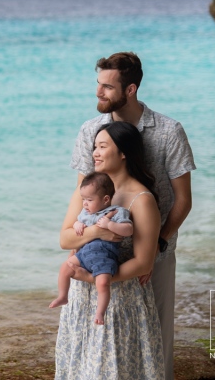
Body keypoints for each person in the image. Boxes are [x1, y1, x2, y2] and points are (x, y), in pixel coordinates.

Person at [67, 52, 195, 379]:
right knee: (101, 340)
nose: (99, 92)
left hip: (155, 252)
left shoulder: (169, 131)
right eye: (98, 84)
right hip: (103, 252)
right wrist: (82, 240)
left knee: (156, 339)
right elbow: (84, 192)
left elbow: (183, 200)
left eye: (107, 87)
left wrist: (155, 248)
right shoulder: (91, 131)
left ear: (131, 89)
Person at [54, 121, 164, 379]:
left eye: (102, 147)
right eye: (94, 147)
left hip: (119, 302)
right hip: (81, 299)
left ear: (123, 152)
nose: (95, 153)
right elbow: (65, 240)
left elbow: (143, 263)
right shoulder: (87, 191)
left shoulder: (141, 199)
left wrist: (95, 279)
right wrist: (97, 231)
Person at [49, 172, 133, 325]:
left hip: (104, 256)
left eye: (89, 200)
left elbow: (128, 230)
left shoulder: (117, 212)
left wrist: (110, 225)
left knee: (102, 284)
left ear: (105, 199)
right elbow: (76, 224)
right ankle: (62, 296)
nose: (85, 204)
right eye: (83, 200)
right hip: (84, 254)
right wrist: (77, 225)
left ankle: (100, 313)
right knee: (65, 268)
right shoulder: (85, 213)